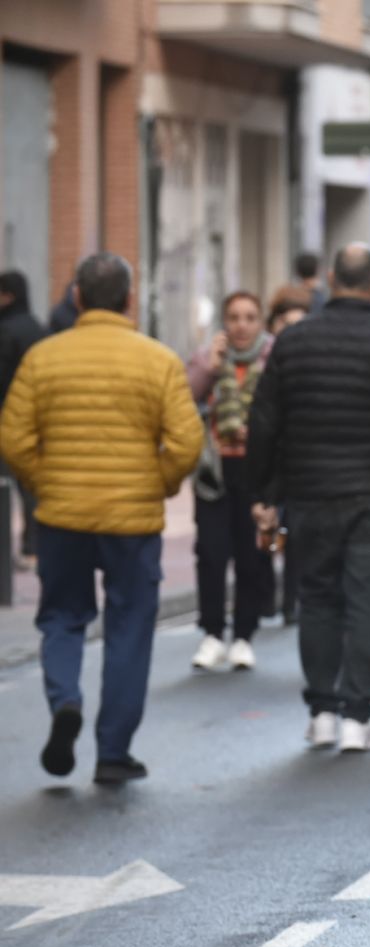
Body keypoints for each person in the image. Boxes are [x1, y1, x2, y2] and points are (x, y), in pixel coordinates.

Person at [0, 253, 203, 783]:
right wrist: (157, 483)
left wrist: (46, 482)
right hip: (132, 524)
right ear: (129, 299)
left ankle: (65, 700)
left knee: (62, 618)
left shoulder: (43, 359)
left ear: (76, 297)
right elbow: (186, 442)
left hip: (62, 518)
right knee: (130, 627)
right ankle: (113, 752)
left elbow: (13, 437)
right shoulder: (158, 360)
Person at [246, 244, 370, 753]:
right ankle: (358, 718)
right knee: (368, 600)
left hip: (310, 492)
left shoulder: (291, 343)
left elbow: (265, 423)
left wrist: (265, 493)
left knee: (316, 597)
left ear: (333, 280)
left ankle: (321, 711)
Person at [185, 291, 277, 672]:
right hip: (216, 470)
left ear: (260, 323)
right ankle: (211, 633)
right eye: (234, 317)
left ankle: (243, 635)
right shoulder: (208, 358)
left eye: (249, 317)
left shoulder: (273, 361)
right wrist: (211, 365)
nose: (241, 325)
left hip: (255, 469)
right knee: (210, 552)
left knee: (251, 555)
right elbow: (185, 394)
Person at [0, 270, 49, 568]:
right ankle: (33, 546)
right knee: (28, 486)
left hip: (7, 418)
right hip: (38, 418)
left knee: (5, 486)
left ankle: (9, 555)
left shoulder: (6, 330)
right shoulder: (37, 328)